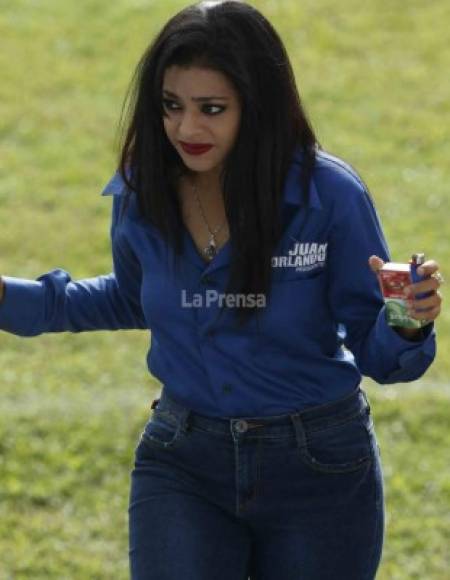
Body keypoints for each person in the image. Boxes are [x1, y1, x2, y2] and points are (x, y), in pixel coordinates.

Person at [0, 1, 443, 578]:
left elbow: (376, 347)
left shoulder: (328, 195)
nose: (187, 129)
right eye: (171, 106)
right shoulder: (143, 189)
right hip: (183, 463)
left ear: (257, 108)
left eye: (212, 109)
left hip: (321, 471)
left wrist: (407, 321)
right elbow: (131, 297)